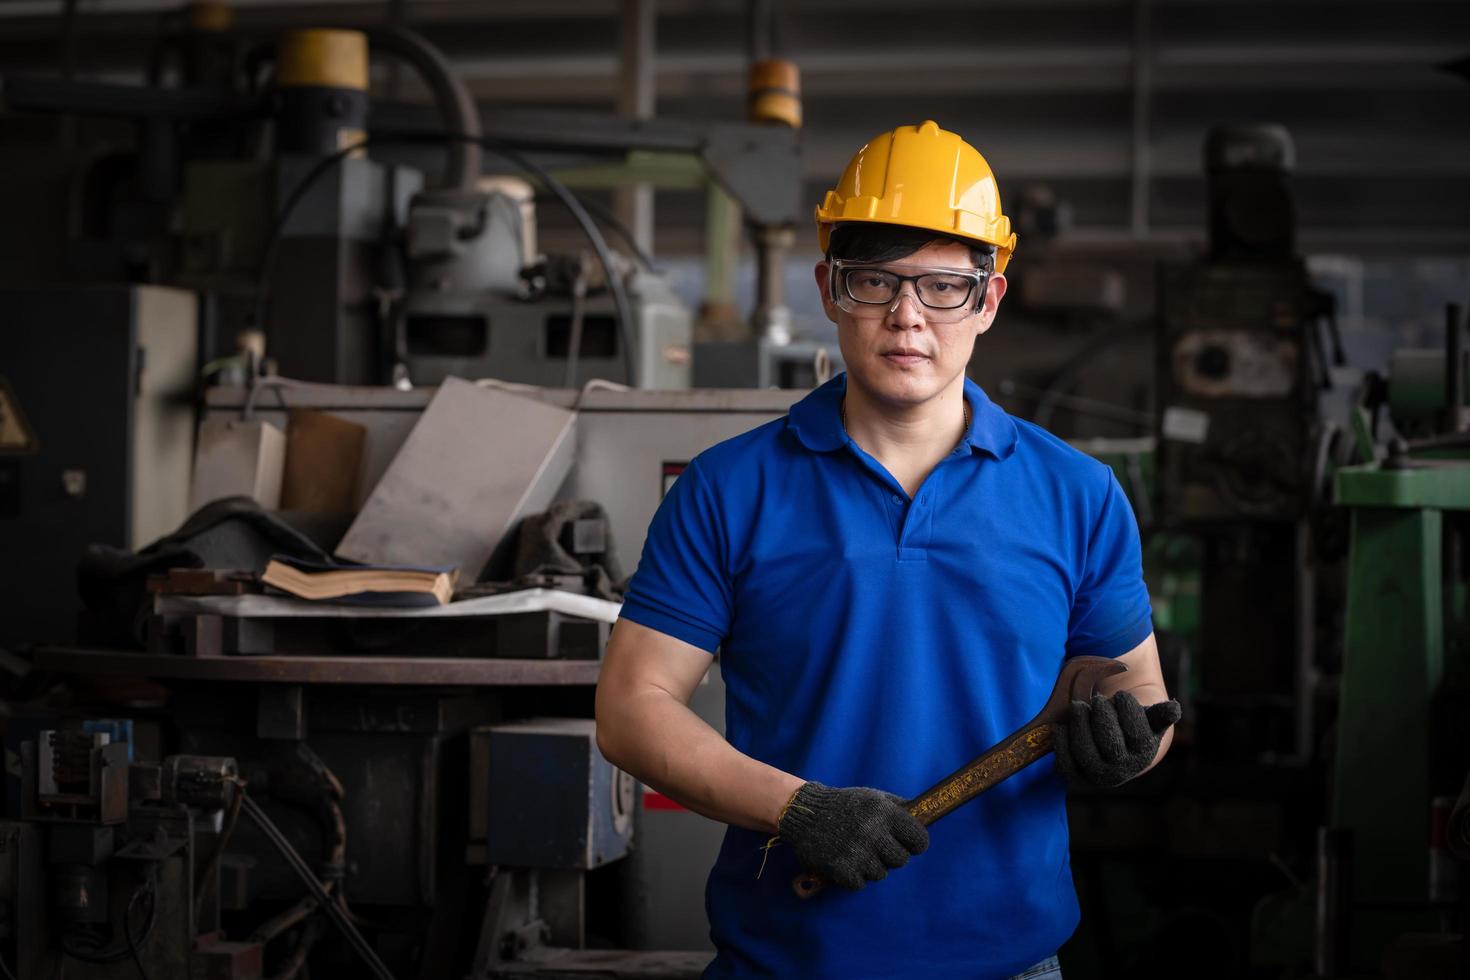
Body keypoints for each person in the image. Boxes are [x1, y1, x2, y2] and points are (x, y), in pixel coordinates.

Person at [595, 120, 1180, 979]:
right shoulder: (728, 489)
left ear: (988, 300)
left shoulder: (1077, 495)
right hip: (785, 957)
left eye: (943, 286)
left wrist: (1133, 748)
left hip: (1008, 961)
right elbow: (631, 707)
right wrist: (798, 810)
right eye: (876, 281)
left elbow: (1138, 694)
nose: (908, 316)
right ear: (831, 291)